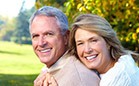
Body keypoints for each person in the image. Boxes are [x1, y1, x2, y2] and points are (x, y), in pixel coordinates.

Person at [29, 6, 100, 86]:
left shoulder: (80, 78)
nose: (41, 43)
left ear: (66, 37)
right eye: (36, 36)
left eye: (49, 34)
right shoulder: (51, 70)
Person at [69, 14, 139, 86]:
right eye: (80, 43)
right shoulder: (121, 62)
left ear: (108, 43)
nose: (87, 50)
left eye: (93, 41)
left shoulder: (118, 77)